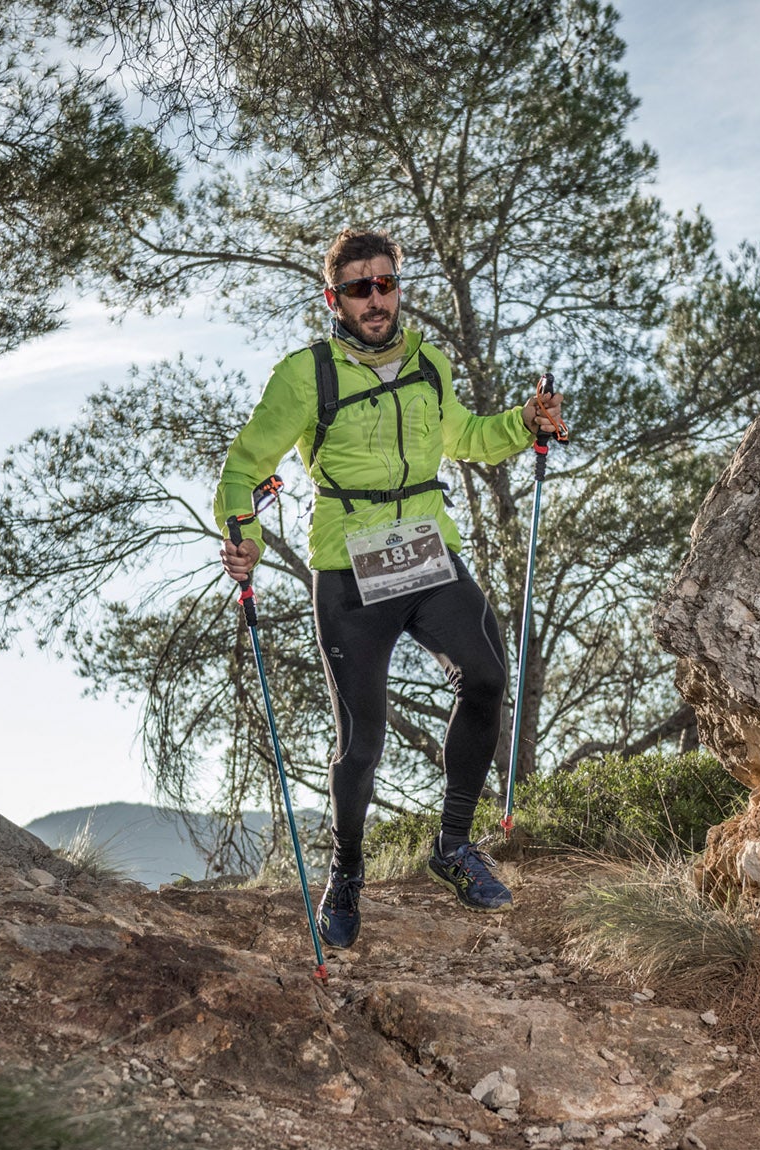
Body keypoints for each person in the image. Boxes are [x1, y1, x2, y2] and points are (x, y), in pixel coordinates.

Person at [214, 227, 563, 950]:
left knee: (488, 676)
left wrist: (525, 422)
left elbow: (465, 436)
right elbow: (244, 465)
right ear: (332, 297)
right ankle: (346, 873)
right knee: (361, 744)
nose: (376, 299)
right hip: (348, 563)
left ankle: (453, 845)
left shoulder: (429, 363)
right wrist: (239, 533)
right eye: (359, 287)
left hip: (424, 551)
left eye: (386, 283)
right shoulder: (304, 375)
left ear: (399, 286)